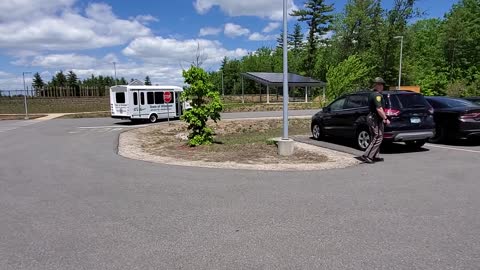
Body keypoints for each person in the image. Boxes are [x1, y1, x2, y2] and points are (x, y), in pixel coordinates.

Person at [362, 77, 390, 164]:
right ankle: (367, 155)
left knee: (377, 136)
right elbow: (379, 109)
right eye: (381, 84)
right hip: (375, 118)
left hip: (374, 118)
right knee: (377, 137)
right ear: (377, 85)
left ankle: (375, 155)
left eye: (382, 85)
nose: (382, 86)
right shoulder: (377, 95)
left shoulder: (372, 94)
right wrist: (385, 118)